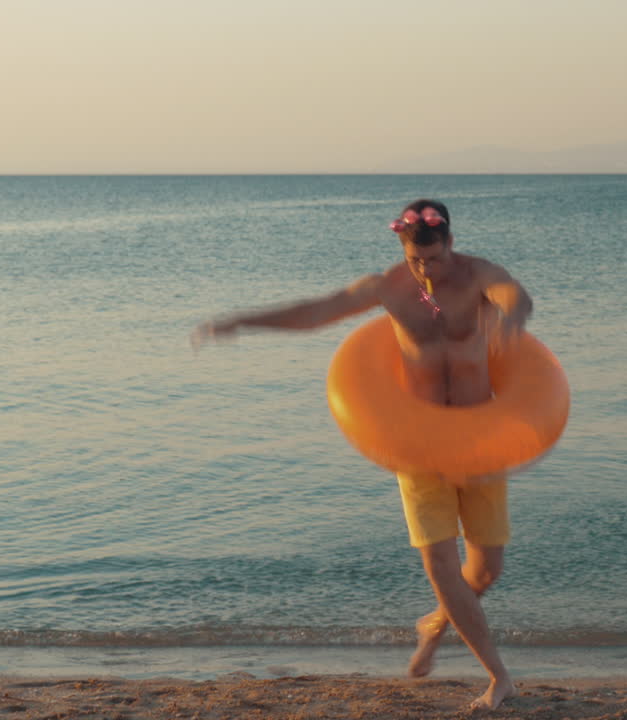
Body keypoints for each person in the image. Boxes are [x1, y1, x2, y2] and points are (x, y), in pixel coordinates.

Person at [191, 198, 532, 710]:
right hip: (417, 443)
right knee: (442, 566)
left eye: (435, 259)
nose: (426, 270)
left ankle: (437, 624)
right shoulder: (388, 287)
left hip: (478, 440)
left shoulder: (479, 275)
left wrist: (510, 316)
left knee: (485, 572)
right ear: (402, 250)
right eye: (416, 261)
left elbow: (515, 294)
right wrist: (241, 321)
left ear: (451, 244)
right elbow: (316, 312)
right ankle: (498, 677)